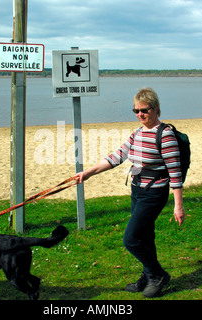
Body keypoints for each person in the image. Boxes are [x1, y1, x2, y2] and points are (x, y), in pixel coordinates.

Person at [75, 87, 185, 298]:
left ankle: (157, 275)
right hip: (136, 190)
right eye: (135, 110)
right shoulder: (137, 133)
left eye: (144, 110)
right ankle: (148, 275)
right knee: (144, 236)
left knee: (131, 239)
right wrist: (88, 173)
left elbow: (175, 173)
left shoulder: (166, 135)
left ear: (156, 109)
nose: (139, 115)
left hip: (154, 194)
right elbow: (116, 157)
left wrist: (178, 205)